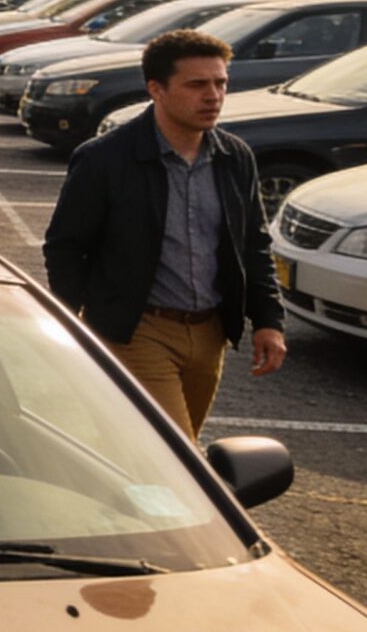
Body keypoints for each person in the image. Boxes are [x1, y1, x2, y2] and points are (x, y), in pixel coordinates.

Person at [43, 28, 287, 440]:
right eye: (197, 85)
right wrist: (78, 327)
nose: (213, 96)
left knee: (154, 456)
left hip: (210, 333)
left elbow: (252, 243)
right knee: (177, 450)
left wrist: (268, 320)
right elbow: (66, 248)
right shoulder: (105, 159)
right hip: (138, 330)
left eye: (220, 83)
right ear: (156, 89)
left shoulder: (234, 157)